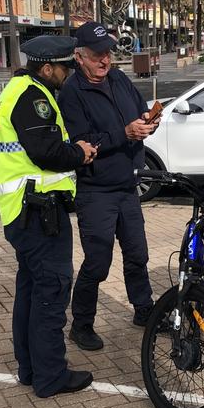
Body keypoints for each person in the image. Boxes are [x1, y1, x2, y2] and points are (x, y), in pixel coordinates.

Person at [0, 35, 98, 397]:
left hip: (24, 212)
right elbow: (46, 152)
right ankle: (50, 376)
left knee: (32, 291)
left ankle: (30, 368)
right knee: (51, 291)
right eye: (64, 67)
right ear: (47, 67)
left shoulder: (16, 89)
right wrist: (79, 152)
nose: (67, 73)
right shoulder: (33, 97)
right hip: (38, 213)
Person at [58, 21, 160, 351]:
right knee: (97, 263)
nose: (106, 61)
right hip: (96, 191)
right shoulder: (72, 93)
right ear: (79, 57)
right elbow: (81, 144)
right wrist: (124, 134)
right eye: (98, 55)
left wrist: (148, 124)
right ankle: (81, 324)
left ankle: (144, 311)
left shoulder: (117, 77)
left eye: (109, 54)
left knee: (137, 254)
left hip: (128, 185)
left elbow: (137, 113)